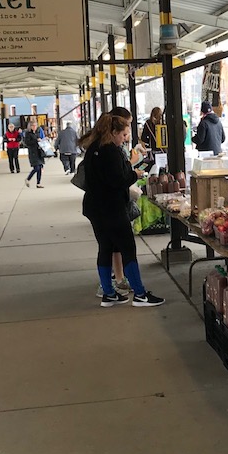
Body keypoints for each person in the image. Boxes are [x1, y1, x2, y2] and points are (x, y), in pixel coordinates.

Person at [80, 113, 164, 308]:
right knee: (127, 248)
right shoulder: (110, 151)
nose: (125, 138)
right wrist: (133, 174)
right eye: (123, 134)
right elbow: (118, 181)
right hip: (111, 208)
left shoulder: (94, 148)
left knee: (105, 248)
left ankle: (108, 293)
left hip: (94, 207)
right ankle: (141, 294)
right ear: (113, 132)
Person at [22, 120, 45, 189]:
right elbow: (27, 142)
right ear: (30, 126)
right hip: (33, 152)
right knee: (36, 167)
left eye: (35, 125)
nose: (34, 127)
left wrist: (43, 140)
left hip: (39, 152)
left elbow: (40, 139)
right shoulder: (28, 133)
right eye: (33, 126)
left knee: (40, 168)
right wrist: (36, 140)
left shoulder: (37, 132)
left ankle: (38, 183)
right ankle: (28, 179)